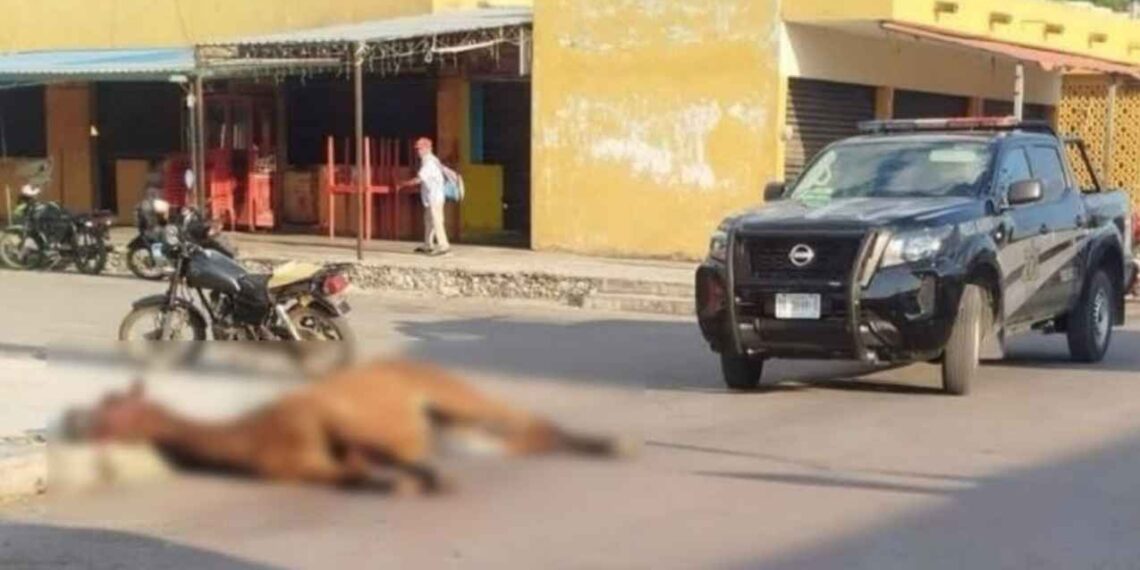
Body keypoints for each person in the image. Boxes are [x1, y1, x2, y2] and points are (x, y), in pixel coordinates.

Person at [398, 137, 450, 256]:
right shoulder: (429, 160)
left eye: (420, 149)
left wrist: (403, 184)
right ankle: (428, 244)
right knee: (428, 221)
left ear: (427, 149)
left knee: (437, 221)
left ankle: (444, 245)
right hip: (430, 198)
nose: (418, 151)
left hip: (435, 197)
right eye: (417, 149)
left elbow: (419, 179)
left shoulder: (429, 162)